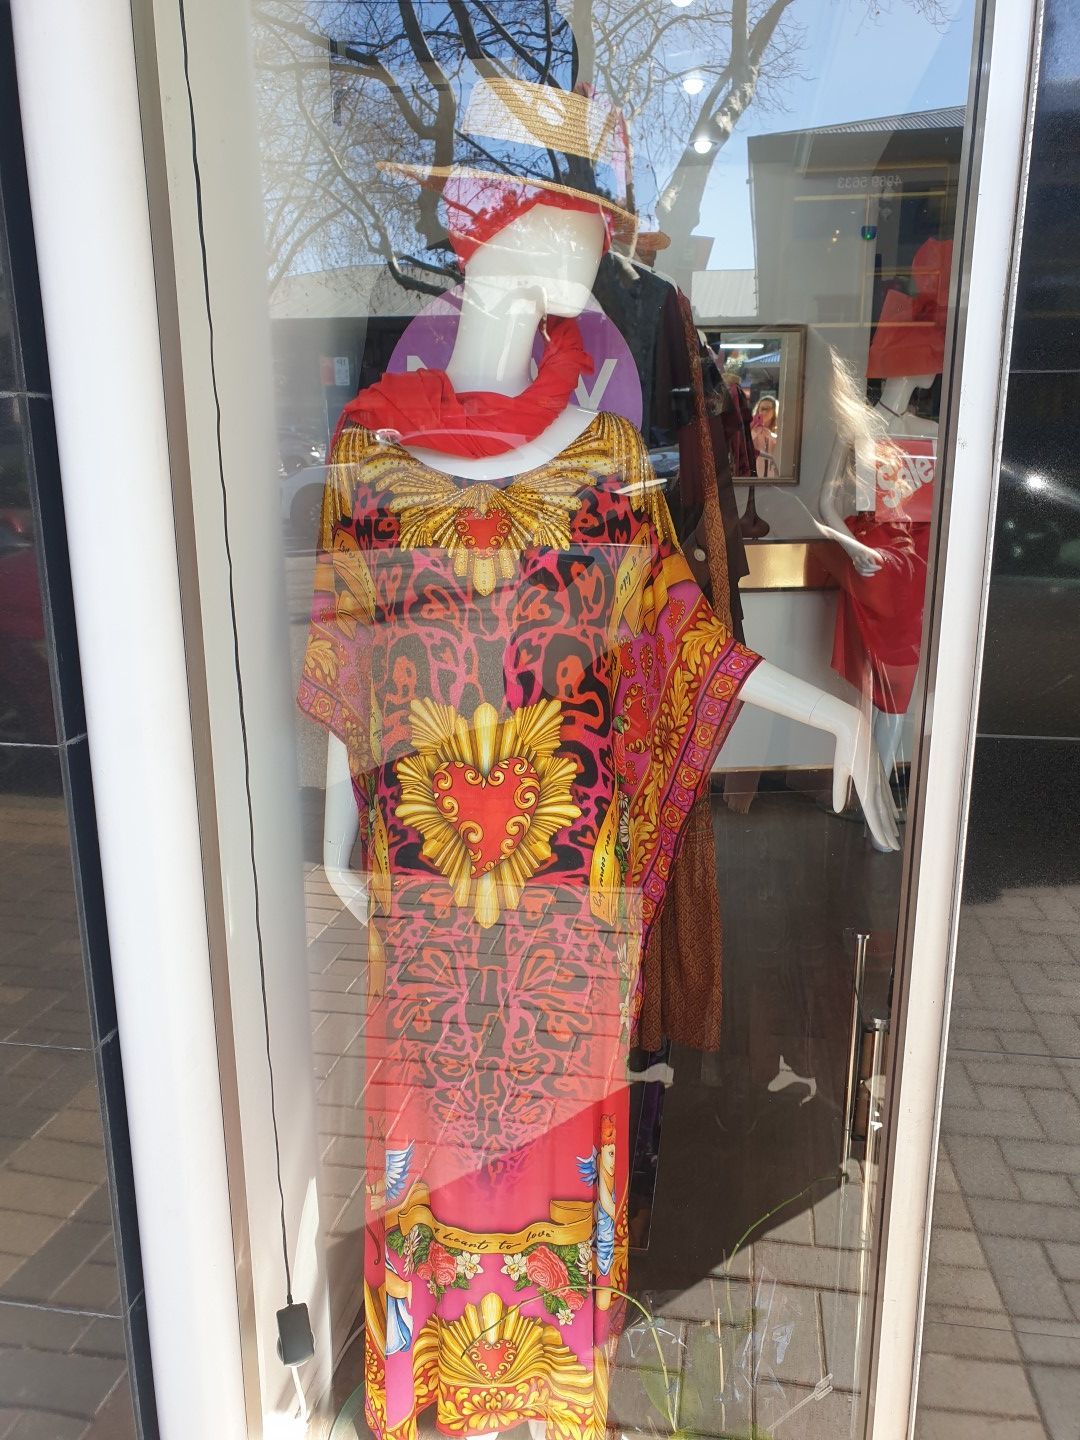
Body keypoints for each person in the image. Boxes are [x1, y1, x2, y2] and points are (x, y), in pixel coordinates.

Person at [750, 393, 779, 480]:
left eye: (768, 408)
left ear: (774, 411)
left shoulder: (778, 430)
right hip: (755, 477)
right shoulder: (752, 429)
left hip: (773, 477)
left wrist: (769, 434)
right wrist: (754, 431)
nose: (764, 412)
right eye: (762, 408)